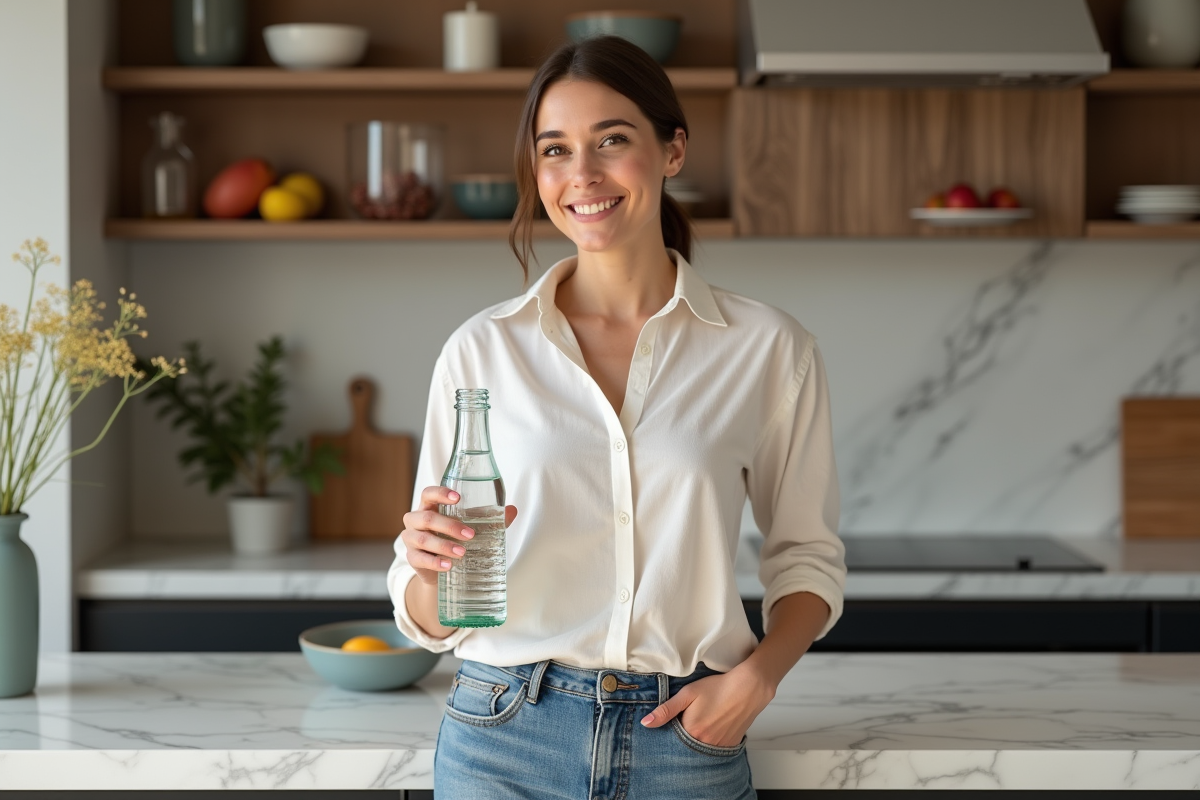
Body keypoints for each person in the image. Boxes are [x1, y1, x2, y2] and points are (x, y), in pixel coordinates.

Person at [387, 35, 846, 800]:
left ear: (673, 151)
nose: (583, 175)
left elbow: (807, 557)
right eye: (555, 150)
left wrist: (757, 678)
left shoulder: (768, 348)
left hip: (686, 737)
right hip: (503, 735)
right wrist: (432, 571)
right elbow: (425, 610)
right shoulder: (483, 350)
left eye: (611, 141)